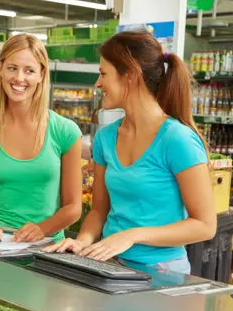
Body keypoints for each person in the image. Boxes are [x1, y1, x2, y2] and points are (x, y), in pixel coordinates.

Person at [45, 31, 217, 274]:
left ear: (131, 75)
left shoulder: (177, 140)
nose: (97, 83)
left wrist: (132, 236)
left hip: (163, 271)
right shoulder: (105, 138)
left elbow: (204, 225)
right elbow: (98, 211)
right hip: (110, 266)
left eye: (103, 74)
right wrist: (83, 242)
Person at [0, 34, 82, 244]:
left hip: (49, 250)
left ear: (41, 74)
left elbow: (74, 207)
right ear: (0, 68)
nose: (19, 78)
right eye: (12, 68)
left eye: (29, 70)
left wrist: (42, 229)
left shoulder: (66, 132)